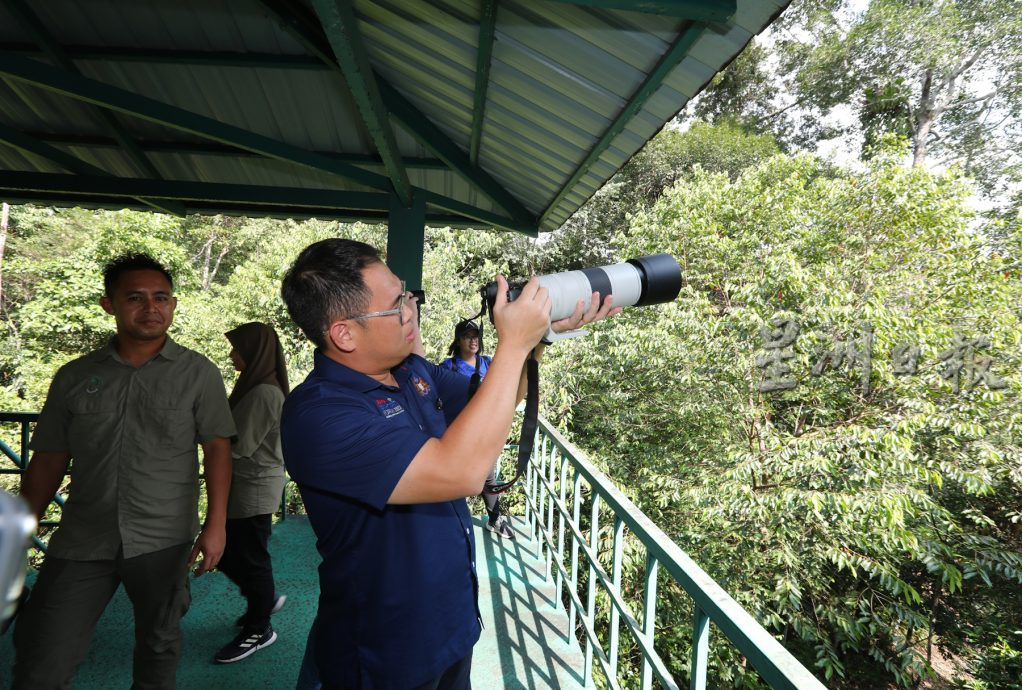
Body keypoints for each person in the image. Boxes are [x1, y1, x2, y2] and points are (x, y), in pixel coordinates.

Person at [279, 238, 617, 689]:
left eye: (407, 296)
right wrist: (512, 345)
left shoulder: (411, 372)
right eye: (397, 303)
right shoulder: (320, 415)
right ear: (344, 333)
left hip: (451, 627)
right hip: (383, 650)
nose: (410, 310)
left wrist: (538, 340)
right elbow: (461, 472)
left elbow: (493, 401)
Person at [12, 253, 235, 690]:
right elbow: (50, 459)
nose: (151, 308)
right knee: (43, 654)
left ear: (172, 304)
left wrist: (217, 525)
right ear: (108, 304)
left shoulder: (198, 374)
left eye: (161, 297)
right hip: (83, 538)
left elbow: (218, 450)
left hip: (164, 538)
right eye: (135, 298)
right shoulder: (74, 377)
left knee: (158, 645)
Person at [213, 322, 290, 664]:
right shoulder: (256, 386)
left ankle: (260, 627)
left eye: (237, 348)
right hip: (247, 484)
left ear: (254, 352)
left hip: (254, 486)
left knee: (248, 557)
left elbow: (239, 445)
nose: (232, 355)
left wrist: (203, 439)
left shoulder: (262, 393)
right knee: (233, 553)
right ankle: (263, 599)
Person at [439, 319, 514, 539]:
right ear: (459, 340)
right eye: (468, 337)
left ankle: (494, 519)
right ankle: (455, 522)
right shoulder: (448, 367)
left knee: (487, 476)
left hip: (486, 429)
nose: (474, 341)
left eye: (476, 336)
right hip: (457, 430)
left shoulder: (488, 363)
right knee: (455, 478)